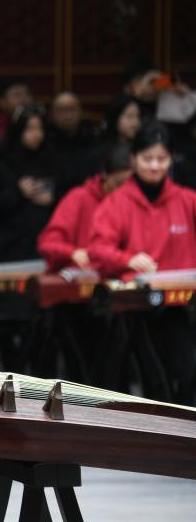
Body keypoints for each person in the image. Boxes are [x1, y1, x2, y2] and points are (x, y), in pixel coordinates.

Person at [89, 123, 196, 403]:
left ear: (171, 159)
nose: (154, 166)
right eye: (147, 159)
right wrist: (127, 259)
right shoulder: (117, 203)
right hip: (137, 307)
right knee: (154, 382)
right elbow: (97, 250)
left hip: (182, 305)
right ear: (133, 160)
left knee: (188, 375)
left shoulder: (187, 200)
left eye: (161, 159)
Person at [0, 105, 58, 262]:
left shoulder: (53, 161)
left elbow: (69, 198)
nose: (36, 134)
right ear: (18, 131)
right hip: (9, 247)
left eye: (40, 128)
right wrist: (17, 192)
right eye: (29, 129)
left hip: (45, 245)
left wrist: (53, 200)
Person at [37, 143, 132, 272]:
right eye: (118, 184)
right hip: (78, 278)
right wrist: (72, 253)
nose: (123, 191)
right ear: (104, 174)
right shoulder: (79, 198)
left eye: (130, 185)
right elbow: (47, 243)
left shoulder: (134, 202)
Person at [47, 90, 101, 197]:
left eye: (72, 109)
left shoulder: (93, 139)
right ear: (52, 114)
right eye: (61, 110)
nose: (68, 115)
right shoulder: (44, 141)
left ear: (80, 111)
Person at [0, 76, 33, 143]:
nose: (24, 100)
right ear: (2, 102)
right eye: (17, 95)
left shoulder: (39, 125)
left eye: (27, 94)